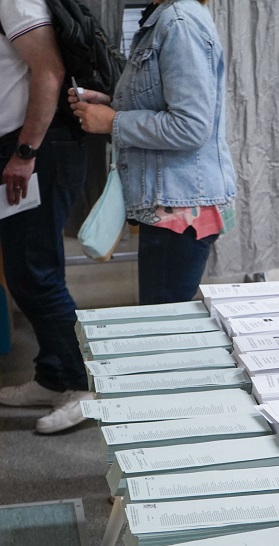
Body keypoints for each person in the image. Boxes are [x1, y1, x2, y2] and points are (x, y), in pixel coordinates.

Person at [69, 0, 236, 305]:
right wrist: (110, 105)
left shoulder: (179, 22)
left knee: (165, 329)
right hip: (172, 201)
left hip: (179, 207)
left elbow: (191, 126)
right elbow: (162, 102)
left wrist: (114, 121)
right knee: (165, 321)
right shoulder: (165, 19)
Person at [0, 1, 93, 434]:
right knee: (25, 270)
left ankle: (82, 385)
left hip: (39, 148)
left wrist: (25, 153)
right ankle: (52, 375)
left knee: (36, 272)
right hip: (27, 147)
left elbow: (49, 70)